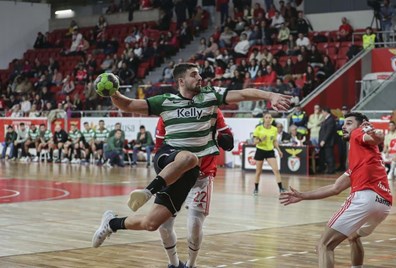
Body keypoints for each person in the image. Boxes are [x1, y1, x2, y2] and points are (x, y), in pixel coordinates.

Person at [92, 63, 290, 249]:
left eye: (199, 74)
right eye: (194, 75)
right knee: (190, 158)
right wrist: (113, 93)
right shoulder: (166, 101)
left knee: (151, 223)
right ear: (181, 81)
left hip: (188, 173)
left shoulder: (210, 96)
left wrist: (270, 95)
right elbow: (128, 105)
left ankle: (112, 223)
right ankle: (147, 192)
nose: (200, 77)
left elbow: (244, 93)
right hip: (168, 156)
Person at [280, 112, 392, 268]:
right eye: (343, 123)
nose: (343, 126)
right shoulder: (364, 158)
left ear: (360, 125)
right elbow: (335, 188)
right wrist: (302, 195)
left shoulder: (357, 134)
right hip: (384, 204)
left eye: (348, 123)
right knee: (353, 236)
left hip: (365, 198)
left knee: (323, 246)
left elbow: (375, 138)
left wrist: (375, 133)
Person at [154, 108, 233, 268]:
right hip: (176, 176)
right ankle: (174, 263)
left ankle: (191, 264)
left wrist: (220, 137)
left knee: (195, 225)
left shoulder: (213, 110)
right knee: (163, 225)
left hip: (202, 176)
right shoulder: (168, 111)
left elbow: (229, 141)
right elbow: (159, 149)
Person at [253, 112, 285, 195]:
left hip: (270, 151)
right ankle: (256, 189)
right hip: (260, 150)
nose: (268, 119)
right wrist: (260, 140)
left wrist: (279, 150)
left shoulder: (274, 129)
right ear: (264, 119)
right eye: (266, 117)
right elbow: (254, 142)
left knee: (276, 170)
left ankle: (281, 188)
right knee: (258, 171)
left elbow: (274, 141)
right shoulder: (258, 128)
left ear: (272, 119)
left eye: (270, 118)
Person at [318, 107, 336, 174]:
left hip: (328, 142)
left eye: (322, 112)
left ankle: (331, 169)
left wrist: (324, 140)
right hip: (324, 142)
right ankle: (323, 168)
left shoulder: (330, 120)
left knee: (329, 156)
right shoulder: (326, 119)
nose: (322, 114)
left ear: (326, 112)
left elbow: (329, 132)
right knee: (323, 156)